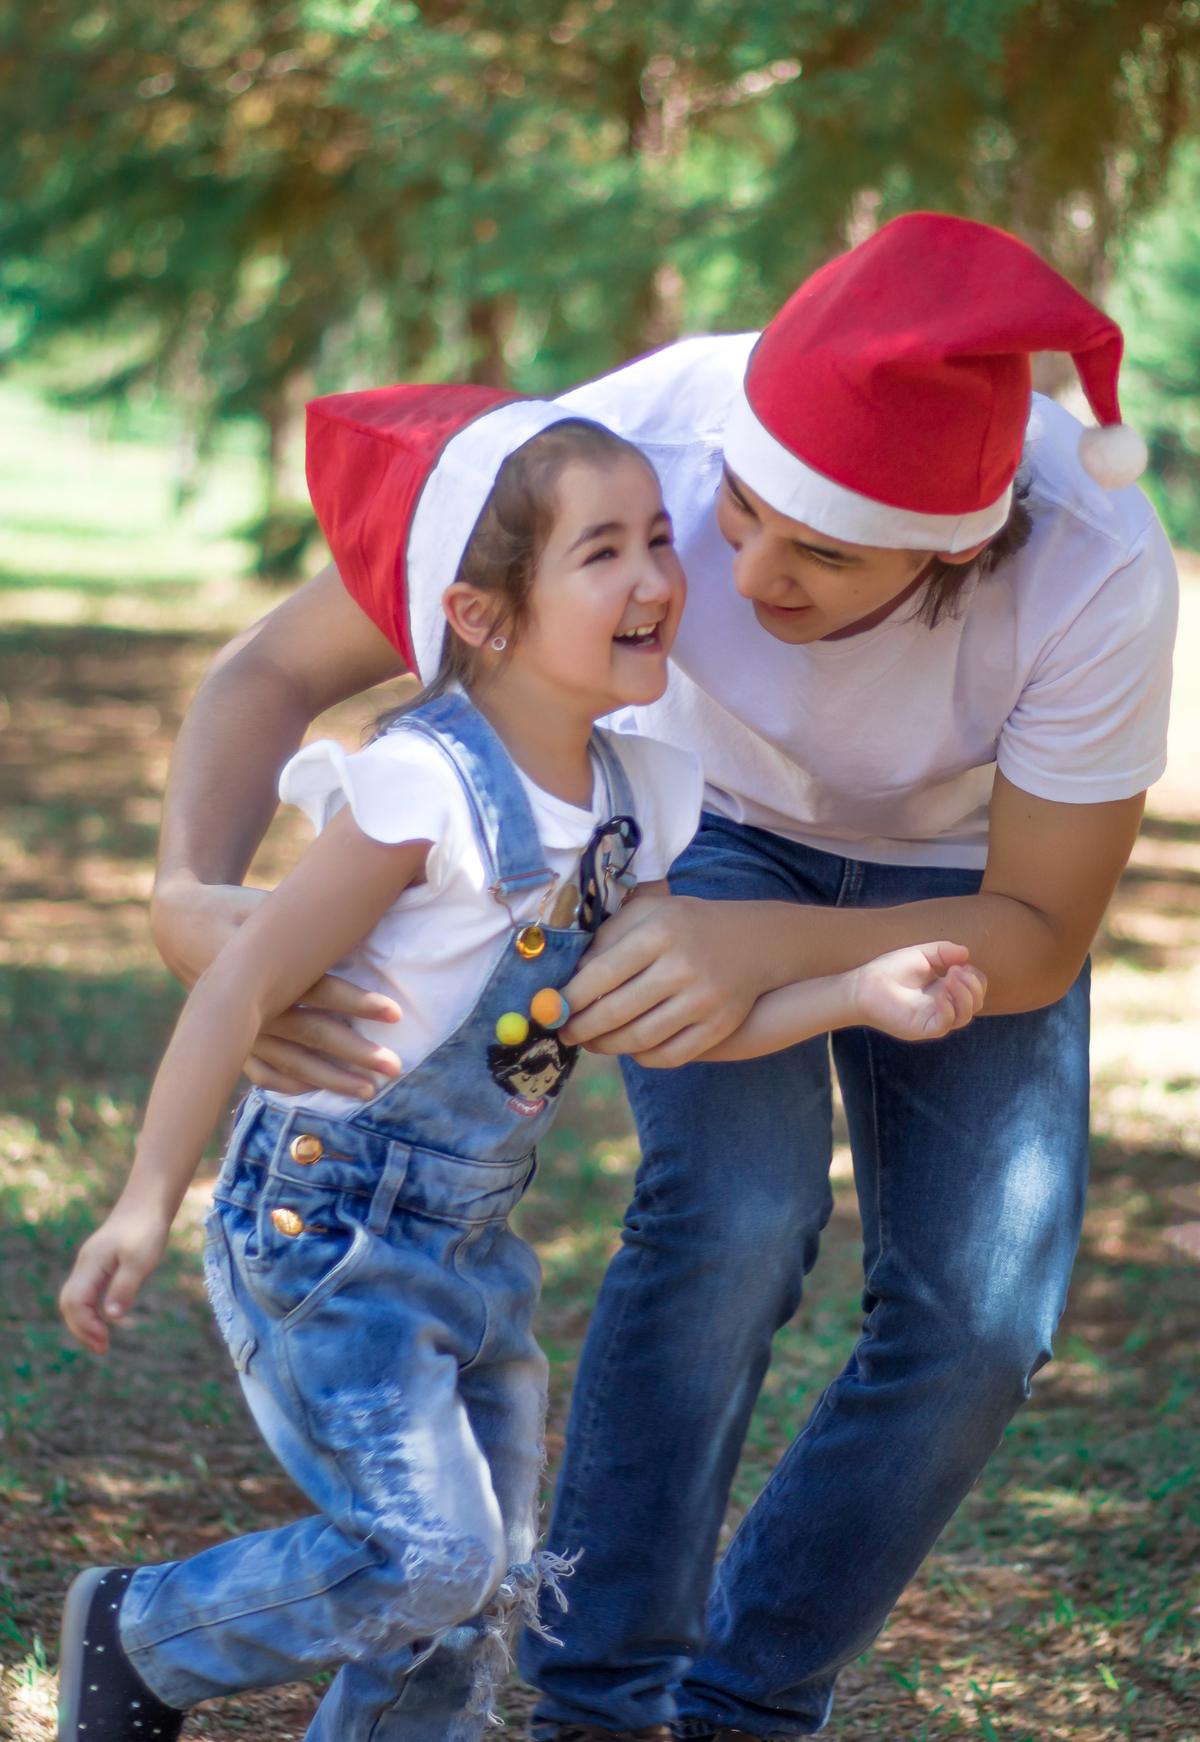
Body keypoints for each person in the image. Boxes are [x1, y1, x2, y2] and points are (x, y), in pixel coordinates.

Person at [145, 214, 1176, 1738]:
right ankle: (598, 1695)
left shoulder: (1095, 570)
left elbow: (1033, 927)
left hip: (966, 878)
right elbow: (272, 669)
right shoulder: (639, 446)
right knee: (739, 1213)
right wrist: (183, 897)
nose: (745, 567)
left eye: (820, 549)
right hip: (703, 827)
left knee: (979, 1316)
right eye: (738, 513)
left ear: (960, 542)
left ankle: (749, 1703)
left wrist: (769, 946)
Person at [56, 384, 984, 1742]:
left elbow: (661, 1016)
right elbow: (243, 975)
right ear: (483, 615)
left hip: (470, 1244)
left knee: (481, 1594)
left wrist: (854, 989)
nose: (660, 576)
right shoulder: (427, 784)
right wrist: (147, 1195)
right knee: (432, 1556)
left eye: (659, 539)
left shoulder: (637, 799)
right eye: (601, 550)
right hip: (325, 1224)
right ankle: (141, 1635)